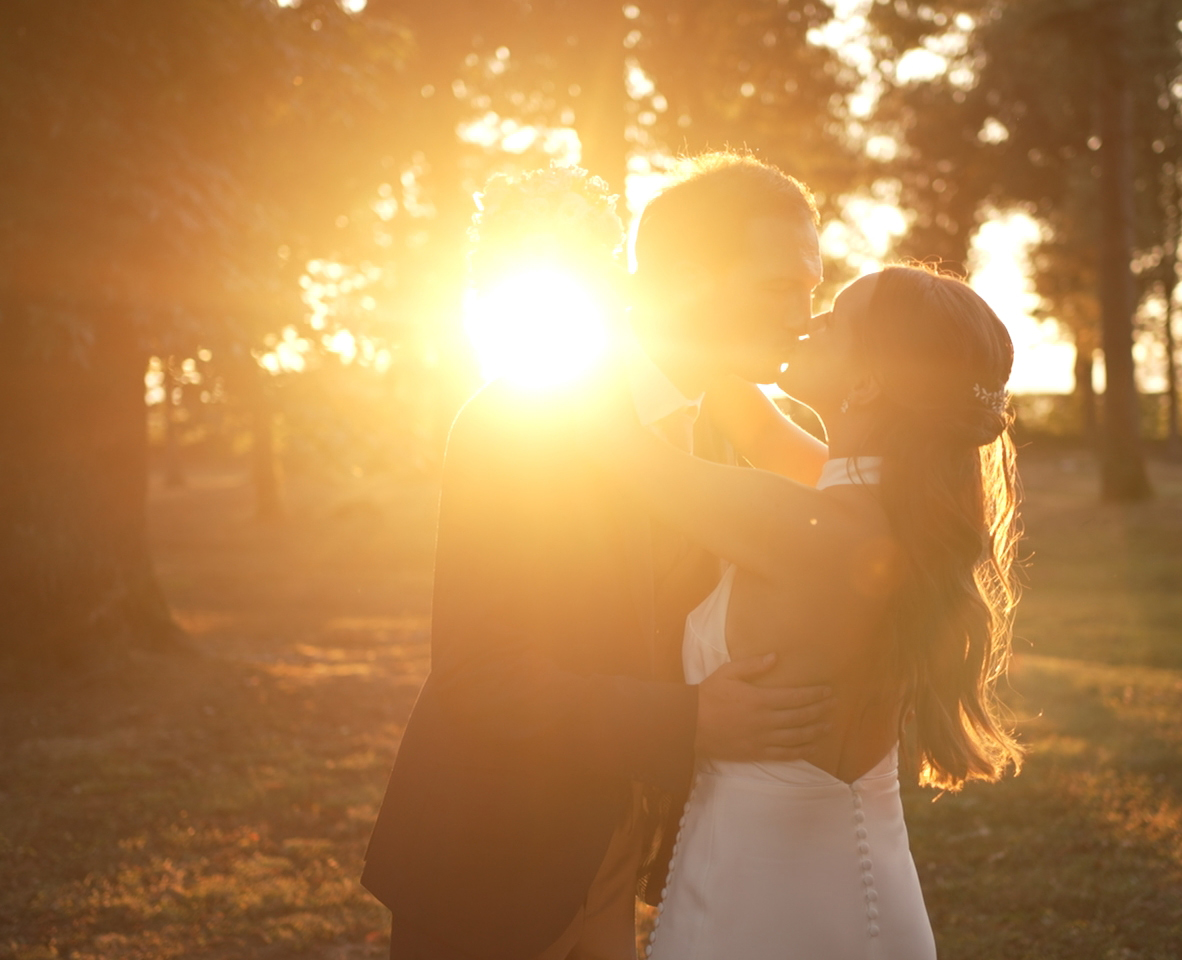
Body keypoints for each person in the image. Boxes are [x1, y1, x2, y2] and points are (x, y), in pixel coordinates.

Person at [362, 154, 837, 959]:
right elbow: (481, 675)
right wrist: (693, 720)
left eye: (813, 290)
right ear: (687, 282)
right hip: (495, 859)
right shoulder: (520, 419)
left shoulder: (752, 429)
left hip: (625, 855)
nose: (804, 316)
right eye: (779, 287)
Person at [586, 264, 1025, 960]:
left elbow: (614, 448)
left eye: (835, 318)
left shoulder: (795, 524)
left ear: (865, 383)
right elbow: (755, 425)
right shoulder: (890, 518)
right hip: (871, 892)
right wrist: (728, 337)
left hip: (761, 911)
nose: (809, 319)